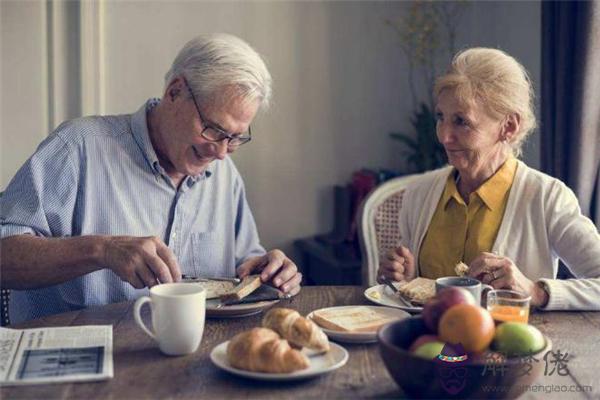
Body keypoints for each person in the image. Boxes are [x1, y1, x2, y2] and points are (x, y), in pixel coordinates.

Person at [0, 33, 302, 323]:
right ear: (175, 91)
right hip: (71, 362)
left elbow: (243, 266)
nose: (222, 152)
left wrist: (268, 271)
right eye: (214, 129)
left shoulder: (225, 175)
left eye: (235, 138)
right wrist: (101, 250)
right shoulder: (77, 147)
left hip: (188, 361)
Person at [378, 47, 600, 310]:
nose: (444, 136)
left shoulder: (548, 198)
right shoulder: (419, 193)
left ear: (509, 126)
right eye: (441, 117)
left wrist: (534, 290)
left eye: (461, 121)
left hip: (510, 348)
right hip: (426, 347)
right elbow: (415, 296)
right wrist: (403, 278)